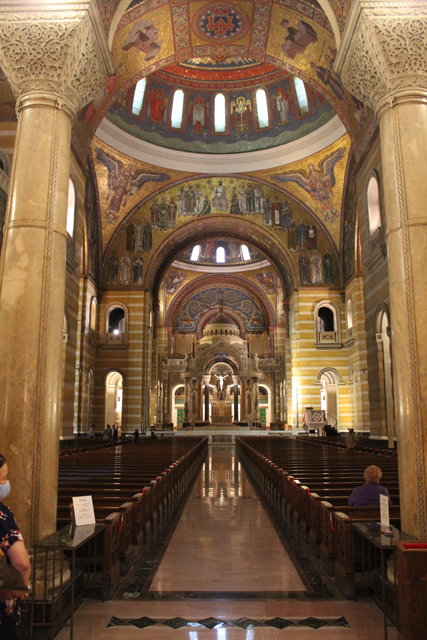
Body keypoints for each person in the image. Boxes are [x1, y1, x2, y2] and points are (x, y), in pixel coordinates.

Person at [0, 454, 31, 639]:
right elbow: (22, 564)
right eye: (3, 478)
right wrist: (20, 588)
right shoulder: (2, 515)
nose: (6, 483)